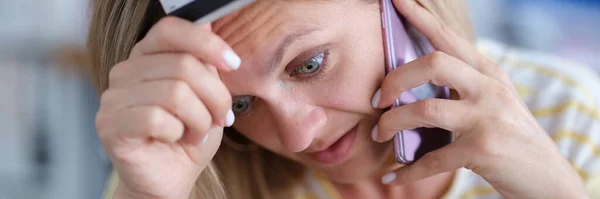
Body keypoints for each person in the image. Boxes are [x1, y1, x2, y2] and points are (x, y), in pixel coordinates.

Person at [88, 0, 600, 198]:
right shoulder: (191, 163)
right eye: (239, 106)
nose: (296, 134)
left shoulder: (571, 114)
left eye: (309, 64)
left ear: (399, 11)